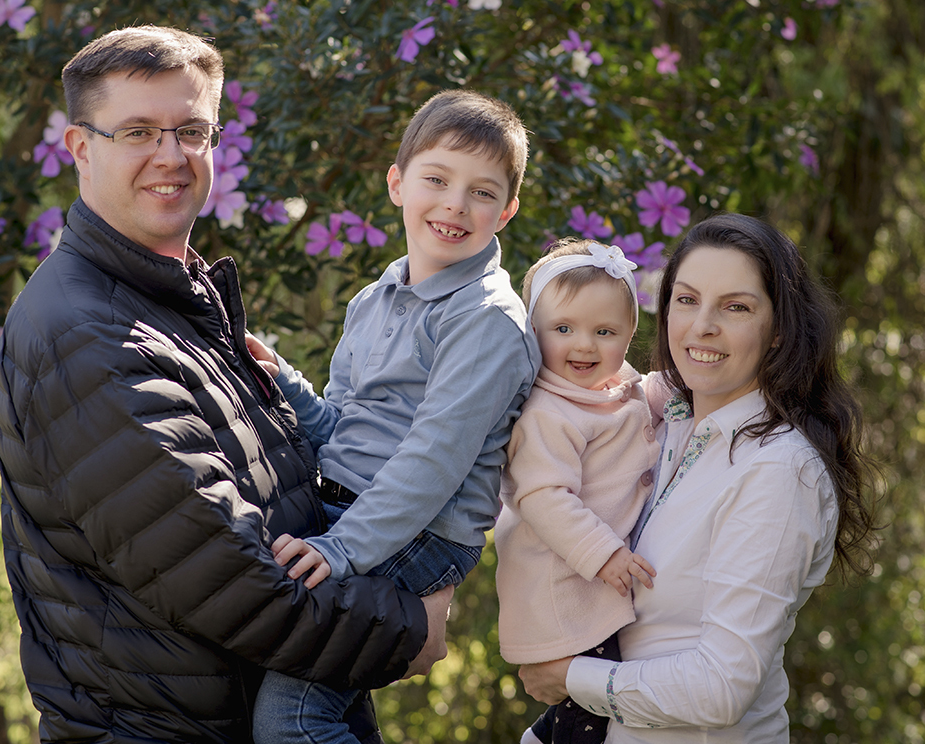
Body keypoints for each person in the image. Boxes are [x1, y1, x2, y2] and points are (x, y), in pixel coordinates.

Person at [0, 25, 452, 744]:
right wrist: (406, 625)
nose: (171, 156)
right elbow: (232, 587)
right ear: (81, 147)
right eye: (139, 131)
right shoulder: (87, 337)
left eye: (192, 130)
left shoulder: (171, 304)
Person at [243, 89, 541, 744]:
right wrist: (285, 385)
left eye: (482, 192)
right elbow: (340, 432)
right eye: (437, 179)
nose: (456, 204)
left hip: (420, 534)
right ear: (397, 183)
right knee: (325, 704)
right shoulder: (373, 299)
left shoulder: (486, 320)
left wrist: (342, 549)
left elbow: (432, 462)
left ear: (508, 211)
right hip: (352, 513)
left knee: (292, 719)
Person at [518, 214, 878, 742]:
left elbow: (723, 687)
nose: (702, 325)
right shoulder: (665, 422)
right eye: (686, 300)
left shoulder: (779, 469)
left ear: (779, 330)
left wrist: (572, 676)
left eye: (736, 307)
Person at [495, 238, 667, 744]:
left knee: (592, 699)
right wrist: (604, 552)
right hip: (563, 587)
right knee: (591, 708)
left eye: (605, 331)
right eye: (563, 329)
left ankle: (545, 735)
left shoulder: (614, 387)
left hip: (590, 589)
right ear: (534, 332)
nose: (585, 345)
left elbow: (650, 391)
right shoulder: (548, 413)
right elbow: (543, 497)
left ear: (629, 335)